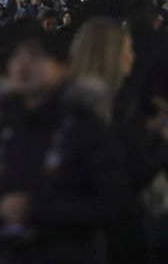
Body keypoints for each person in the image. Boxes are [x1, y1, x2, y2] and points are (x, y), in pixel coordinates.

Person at [0, 32, 129, 264]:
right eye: (17, 55)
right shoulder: (4, 126)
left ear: (62, 67)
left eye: (36, 56)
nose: (23, 63)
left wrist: (38, 209)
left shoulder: (83, 126)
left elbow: (113, 202)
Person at [68, 17, 168, 264]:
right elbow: (138, 171)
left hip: (71, 232)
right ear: (112, 56)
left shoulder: (64, 99)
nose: (133, 56)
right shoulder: (118, 104)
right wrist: (162, 139)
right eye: (128, 50)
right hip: (114, 230)